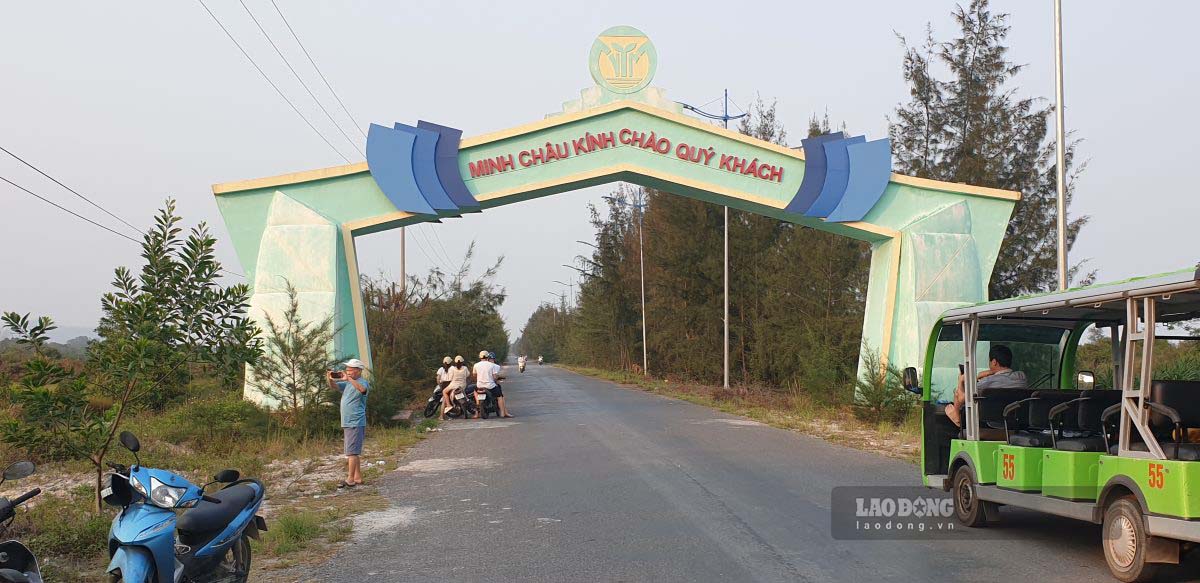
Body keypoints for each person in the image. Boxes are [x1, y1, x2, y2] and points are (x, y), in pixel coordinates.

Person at [945, 344, 1028, 428]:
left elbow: (961, 398)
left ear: (994, 362)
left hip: (991, 425)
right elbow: (1003, 377)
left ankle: (957, 419)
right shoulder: (1021, 376)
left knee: (956, 398)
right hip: (1016, 425)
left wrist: (961, 380)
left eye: (989, 361)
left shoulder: (988, 382)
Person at [327, 358, 370, 488]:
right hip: (347, 421)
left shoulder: (362, 382)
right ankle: (357, 477)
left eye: (350, 370)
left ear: (358, 371)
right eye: (347, 370)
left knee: (352, 452)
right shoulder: (347, 384)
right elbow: (334, 386)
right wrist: (330, 378)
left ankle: (350, 479)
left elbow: (363, 390)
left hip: (355, 421)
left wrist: (349, 379)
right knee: (352, 451)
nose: (348, 372)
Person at [473, 350, 512, 418]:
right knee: (500, 396)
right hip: (490, 386)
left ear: (480, 357)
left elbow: (474, 375)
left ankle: (477, 413)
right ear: (488, 357)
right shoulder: (492, 365)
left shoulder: (476, 365)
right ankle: (503, 413)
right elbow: (495, 377)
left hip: (479, 386)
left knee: (475, 393)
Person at [442, 355, 471, 419]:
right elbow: (467, 375)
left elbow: (450, 378)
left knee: (444, 391)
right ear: (462, 362)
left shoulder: (452, 368)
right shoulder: (465, 368)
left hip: (453, 385)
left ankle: (448, 405)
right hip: (462, 385)